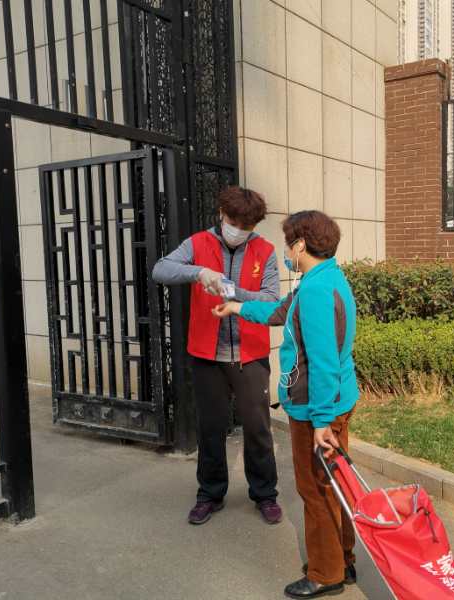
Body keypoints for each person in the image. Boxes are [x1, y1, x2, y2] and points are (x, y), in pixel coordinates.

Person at [212, 210, 359, 599]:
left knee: (316, 490)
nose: (285, 252)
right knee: (335, 485)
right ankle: (342, 559)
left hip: (316, 408)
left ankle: (326, 573)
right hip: (334, 400)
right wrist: (236, 307)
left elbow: (323, 361)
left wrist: (322, 422)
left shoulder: (314, 290)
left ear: (300, 245)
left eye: (287, 244)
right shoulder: (325, 278)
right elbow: (279, 311)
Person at [151, 186, 282, 526]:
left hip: (250, 353)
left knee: (257, 428)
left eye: (247, 226)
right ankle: (210, 494)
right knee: (210, 428)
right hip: (207, 354)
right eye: (234, 222)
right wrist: (198, 272)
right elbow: (160, 269)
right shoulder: (198, 243)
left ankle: (265, 494)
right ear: (222, 215)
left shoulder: (265, 251)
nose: (239, 230)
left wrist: (232, 290)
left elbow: (271, 300)